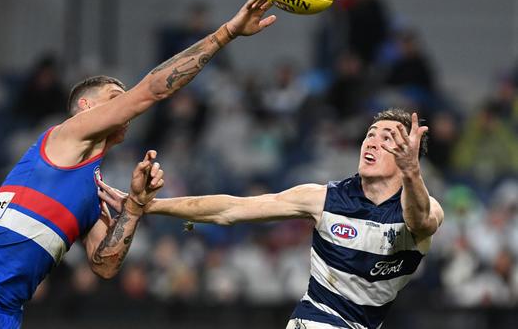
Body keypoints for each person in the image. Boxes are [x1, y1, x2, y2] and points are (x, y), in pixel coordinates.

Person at [0, 0, 277, 328]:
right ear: (86, 108)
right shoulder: (65, 135)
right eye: (114, 98)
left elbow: (105, 265)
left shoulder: (92, 192)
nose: (125, 107)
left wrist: (136, 206)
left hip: (3, 312)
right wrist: (227, 33)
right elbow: (154, 89)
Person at [98, 109, 444, 329]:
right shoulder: (324, 198)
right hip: (316, 320)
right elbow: (230, 209)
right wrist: (150, 206)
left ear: (407, 156)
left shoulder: (425, 207)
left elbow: (418, 221)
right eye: (370, 134)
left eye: (388, 139)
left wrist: (412, 174)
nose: (372, 141)